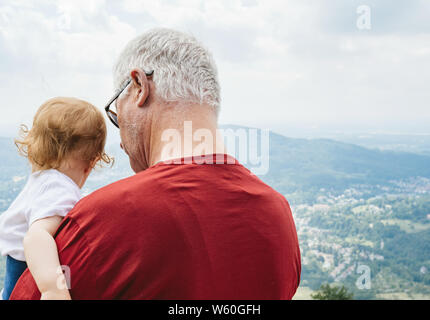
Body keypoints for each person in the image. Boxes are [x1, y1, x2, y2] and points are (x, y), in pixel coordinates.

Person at [11, 28, 301, 300]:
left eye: (116, 115)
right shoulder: (280, 217)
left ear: (139, 86)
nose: (121, 141)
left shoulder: (104, 220)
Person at [0, 97, 110, 300]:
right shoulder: (59, 187)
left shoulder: (44, 180)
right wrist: (54, 290)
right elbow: (36, 237)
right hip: (27, 278)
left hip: (16, 277)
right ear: (91, 163)